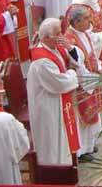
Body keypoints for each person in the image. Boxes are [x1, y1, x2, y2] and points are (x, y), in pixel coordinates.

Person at [26, 18, 82, 166]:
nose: (61, 37)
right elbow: (59, 83)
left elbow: (76, 60)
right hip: (48, 105)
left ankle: (66, 164)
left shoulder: (54, 47)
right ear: (45, 37)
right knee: (52, 139)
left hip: (58, 101)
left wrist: (70, 48)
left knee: (62, 137)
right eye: (57, 34)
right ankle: (54, 169)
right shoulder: (41, 60)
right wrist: (72, 73)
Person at [64, 4, 102, 159]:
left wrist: (99, 66)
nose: (90, 21)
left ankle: (90, 145)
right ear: (76, 22)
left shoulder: (84, 32)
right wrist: (89, 80)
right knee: (82, 117)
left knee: (92, 113)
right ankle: (82, 151)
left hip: (91, 77)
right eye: (86, 19)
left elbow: (92, 53)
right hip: (83, 83)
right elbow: (77, 63)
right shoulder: (70, 38)